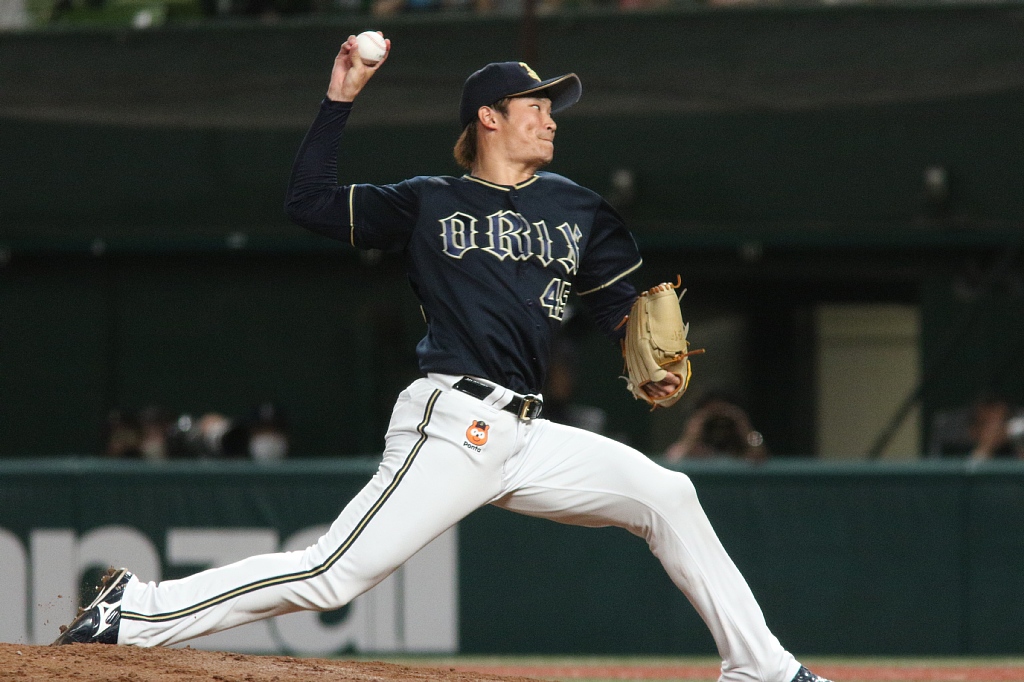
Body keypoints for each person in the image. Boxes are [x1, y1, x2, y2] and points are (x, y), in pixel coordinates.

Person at [53, 38, 831, 682]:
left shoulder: (576, 208)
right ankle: (138, 610)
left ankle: (760, 668)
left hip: (529, 434)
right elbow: (308, 202)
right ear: (489, 117)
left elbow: (614, 306)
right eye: (534, 106)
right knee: (333, 574)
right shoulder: (428, 201)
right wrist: (339, 98)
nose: (549, 118)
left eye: (550, 108)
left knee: (668, 495)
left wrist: (644, 351)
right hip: (454, 421)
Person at [665, 393, 768, 464]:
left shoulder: (742, 446)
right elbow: (672, 461)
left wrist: (744, 426)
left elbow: (760, 456)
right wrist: (692, 434)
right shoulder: (694, 447)